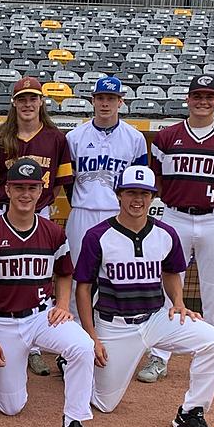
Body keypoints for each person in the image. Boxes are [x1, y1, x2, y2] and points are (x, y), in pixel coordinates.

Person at [74, 166, 214, 427]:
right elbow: (83, 288)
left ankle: (191, 413)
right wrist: (91, 337)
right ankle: (80, 367)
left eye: (145, 194)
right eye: (131, 192)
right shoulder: (98, 236)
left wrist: (179, 303)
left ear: (153, 197)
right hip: (114, 325)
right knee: (105, 404)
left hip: (157, 318)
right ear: (119, 195)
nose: (138, 199)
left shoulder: (165, 233)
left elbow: (171, 272)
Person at [0, 158, 97, 427]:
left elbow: (65, 273)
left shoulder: (53, 232)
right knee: (11, 407)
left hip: (41, 316)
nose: (26, 193)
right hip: (3, 323)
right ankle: (7, 374)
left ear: (41, 191)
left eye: (33, 187)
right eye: (20, 187)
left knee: (83, 347)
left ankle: (74, 423)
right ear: (7, 190)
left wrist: (63, 304)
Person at [138, 74, 214, 394]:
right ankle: (159, 356)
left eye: (209, 96)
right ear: (187, 99)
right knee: (168, 292)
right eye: (197, 95)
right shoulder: (166, 136)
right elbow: (155, 179)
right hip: (174, 216)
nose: (203, 101)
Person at [0, 76, 73, 376]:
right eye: (22, 99)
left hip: (40, 214)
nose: (28, 104)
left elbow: (60, 182)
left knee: (38, 278)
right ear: (14, 102)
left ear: (41, 102)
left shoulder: (56, 138)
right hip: (2, 213)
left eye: (33, 98)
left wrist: (38, 204)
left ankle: (33, 346)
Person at [64, 76, 148, 311]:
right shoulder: (74, 137)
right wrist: (79, 200)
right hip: (82, 212)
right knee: (77, 275)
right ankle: (75, 334)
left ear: (120, 102)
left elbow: (139, 184)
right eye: (100, 98)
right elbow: (67, 180)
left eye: (111, 98)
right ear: (93, 100)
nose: (105, 103)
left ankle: (111, 329)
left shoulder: (135, 138)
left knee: (116, 274)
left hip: (116, 214)